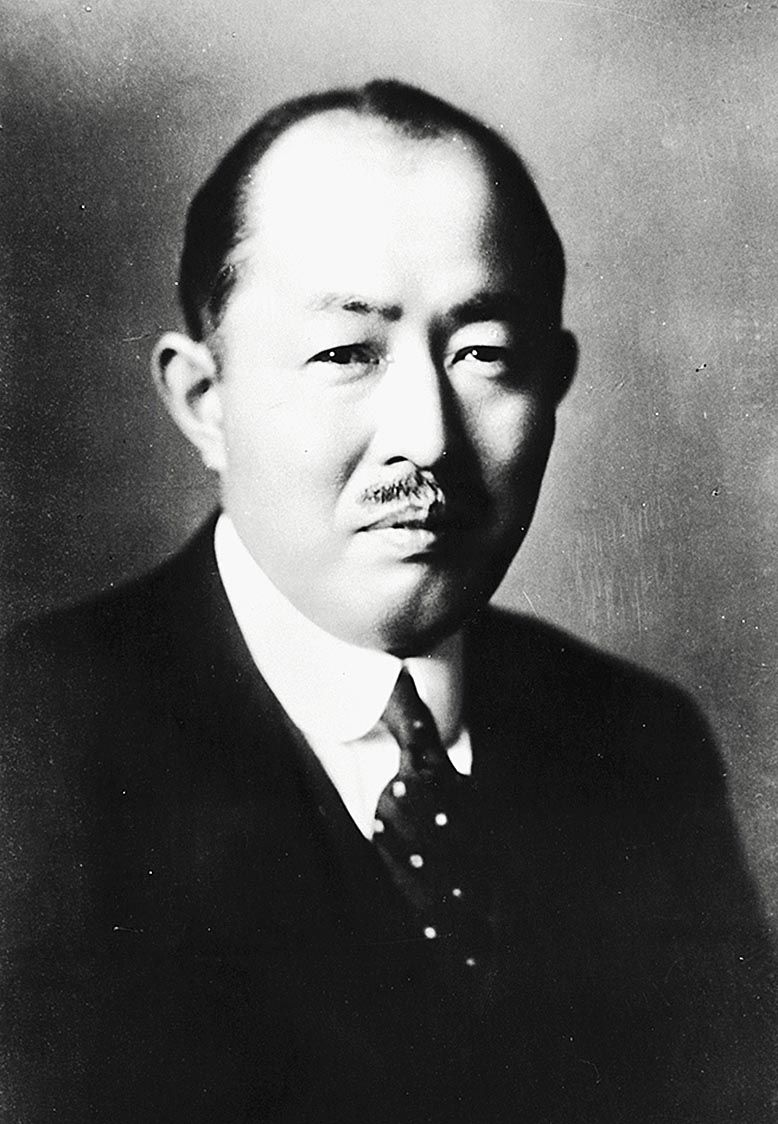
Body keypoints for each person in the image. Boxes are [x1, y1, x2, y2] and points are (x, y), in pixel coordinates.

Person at [2, 79, 774, 1123]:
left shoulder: (639, 744)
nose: (428, 438)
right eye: (345, 353)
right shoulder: (31, 752)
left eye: (485, 356)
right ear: (204, 400)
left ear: (553, 382)